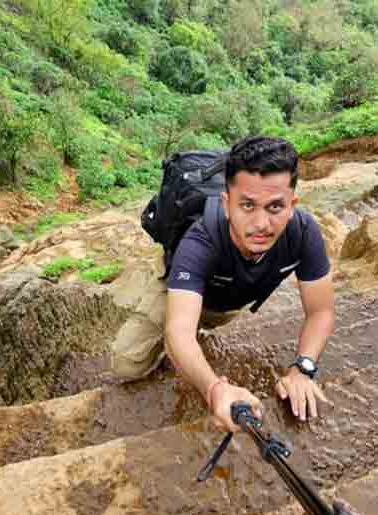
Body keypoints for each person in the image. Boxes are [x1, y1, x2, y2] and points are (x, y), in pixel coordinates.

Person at [111, 136, 336, 432]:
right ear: (227, 204)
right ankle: (150, 281)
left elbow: (321, 311)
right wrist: (214, 388)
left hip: (227, 299)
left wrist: (303, 369)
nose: (261, 224)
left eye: (275, 207)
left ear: (292, 205)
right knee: (126, 364)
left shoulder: (303, 233)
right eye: (247, 206)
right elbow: (178, 332)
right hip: (180, 287)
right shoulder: (200, 241)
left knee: (202, 326)